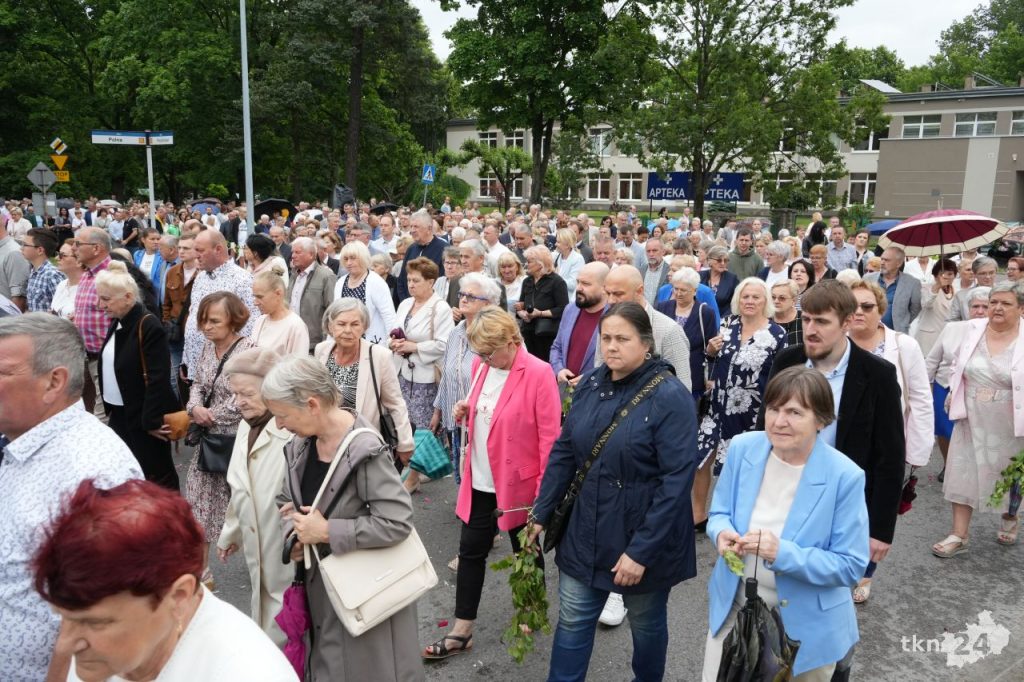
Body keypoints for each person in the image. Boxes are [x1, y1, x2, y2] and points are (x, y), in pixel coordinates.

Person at [530, 302, 697, 681]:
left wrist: (641, 552)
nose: (611, 346)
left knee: (646, 623)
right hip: (585, 529)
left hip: (641, 536)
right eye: (606, 338)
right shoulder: (590, 383)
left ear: (646, 344)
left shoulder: (670, 397)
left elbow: (675, 482)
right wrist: (541, 510)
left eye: (622, 338)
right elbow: (564, 452)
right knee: (573, 620)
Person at [762, 280, 905, 653]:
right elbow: (766, 431)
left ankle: (827, 662)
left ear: (847, 322)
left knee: (828, 601)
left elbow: (890, 456)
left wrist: (880, 529)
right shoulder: (787, 361)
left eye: (822, 321)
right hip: (785, 497)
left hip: (840, 506)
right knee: (776, 590)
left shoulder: (877, 375)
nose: (811, 329)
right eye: (807, 319)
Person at [32, 479, 295, 682]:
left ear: (179, 596)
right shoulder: (115, 645)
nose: (65, 645)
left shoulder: (249, 671)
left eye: (95, 623)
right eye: (64, 616)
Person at [702, 367, 869, 681]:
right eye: (774, 409)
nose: (779, 421)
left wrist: (782, 553)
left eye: (794, 412)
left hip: (805, 628)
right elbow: (720, 512)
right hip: (737, 608)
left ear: (821, 420)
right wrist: (721, 533)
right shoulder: (742, 448)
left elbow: (850, 565)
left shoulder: (844, 476)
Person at [0, 315, 142, 682]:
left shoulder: (93, 472)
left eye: (2, 372)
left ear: (54, 381)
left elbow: (110, 619)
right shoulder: (21, 444)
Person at [267, 357, 424, 681]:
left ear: (312, 404)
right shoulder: (300, 446)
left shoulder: (364, 448)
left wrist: (327, 531)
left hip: (366, 597)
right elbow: (286, 504)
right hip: (323, 594)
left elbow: (397, 521)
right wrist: (293, 537)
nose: (279, 425)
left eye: (282, 415)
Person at [424, 307, 561, 661]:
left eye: (489, 352)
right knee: (471, 550)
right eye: (480, 353)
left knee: (524, 550)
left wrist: (543, 498)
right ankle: (462, 630)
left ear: (512, 341)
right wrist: (465, 409)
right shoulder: (481, 366)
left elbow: (550, 440)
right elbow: (488, 409)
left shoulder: (538, 373)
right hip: (480, 478)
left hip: (517, 485)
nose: (483, 359)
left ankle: (530, 610)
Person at [846, 280, 933, 603]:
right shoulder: (837, 342)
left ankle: (865, 573)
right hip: (843, 442)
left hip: (885, 445)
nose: (859, 312)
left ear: (880, 310)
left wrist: (916, 451)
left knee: (874, 511)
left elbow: (920, 398)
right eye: (852, 307)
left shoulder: (903, 345)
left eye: (867, 306)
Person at [933, 282, 1024, 558]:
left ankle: (1010, 515)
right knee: (963, 470)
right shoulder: (973, 329)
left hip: (1011, 418)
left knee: (1011, 472)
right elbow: (957, 363)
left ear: (1021, 308)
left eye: (1005, 303)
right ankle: (959, 534)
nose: (997, 308)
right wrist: (954, 389)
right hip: (970, 414)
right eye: (994, 302)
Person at [216, 348, 294, 647]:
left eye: (247, 393)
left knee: (286, 610)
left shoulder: (293, 433)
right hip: (257, 539)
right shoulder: (245, 425)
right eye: (235, 394)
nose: (238, 402)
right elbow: (240, 486)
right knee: (263, 599)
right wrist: (231, 533)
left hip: (285, 543)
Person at [185, 291, 253, 586]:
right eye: (203, 321)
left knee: (249, 506)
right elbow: (198, 384)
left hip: (241, 441)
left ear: (233, 320)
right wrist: (194, 407)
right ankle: (201, 571)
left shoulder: (249, 350)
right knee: (199, 502)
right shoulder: (206, 347)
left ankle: (264, 567)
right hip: (209, 441)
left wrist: (210, 414)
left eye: (214, 321)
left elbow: (248, 396)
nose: (206, 327)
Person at [96, 261, 180, 490]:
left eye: (106, 299)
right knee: (128, 477)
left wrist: (150, 422)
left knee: (155, 479)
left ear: (128, 297)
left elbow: (158, 379)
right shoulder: (119, 321)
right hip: (121, 414)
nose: (100, 305)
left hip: (143, 419)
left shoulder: (148, 325)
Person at [315, 298, 415, 465]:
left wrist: (405, 444)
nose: (348, 330)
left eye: (355, 324)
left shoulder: (379, 356)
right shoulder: (322, 351)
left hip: (362, 446)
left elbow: (395, 403)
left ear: (364, 326)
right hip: (325, 441)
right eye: (341, 324)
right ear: (330, 326)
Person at [430, 273, 501, 487]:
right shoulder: (456, 332)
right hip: (456, 419)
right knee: (461, 473)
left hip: (483, 421)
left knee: (480, 476)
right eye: (462, 294)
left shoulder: (495, 336)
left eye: (471, 296)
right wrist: (437, 411)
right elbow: (447, 374)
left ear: (487, 304)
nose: (463, 299)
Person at [925, 287, 990, 482]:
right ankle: (948, 466)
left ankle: (975, 469)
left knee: (975, 432)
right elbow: (932, 360)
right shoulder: (952, 328)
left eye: (985, 306)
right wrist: (924, 389)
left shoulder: (997, 332)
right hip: (944, 385)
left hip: (977, 389)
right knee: (944, 430)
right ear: (968, 309)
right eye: (975, 306)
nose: (980, 311)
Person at [600, 265, 692, 389]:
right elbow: (601, 369)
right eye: (607, 293)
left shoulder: (669, 330)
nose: (610, 300)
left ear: (639, 291)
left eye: (618, 294)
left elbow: (682, 388)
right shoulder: (607, 323)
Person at [391, 257, 454, 435]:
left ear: (431, 282)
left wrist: (414, 347)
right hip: (400, 374)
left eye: (416, 281)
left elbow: (444, 345)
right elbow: (393, 331)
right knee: (401, 425)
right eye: (409, 280)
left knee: (422, 430)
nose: (411, 285)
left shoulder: (441, 308)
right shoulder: (405, 304)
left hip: (425, 379)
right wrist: (393, 342)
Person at [183, 230, 256, 380]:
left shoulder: (242, 279)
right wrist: (186, 359)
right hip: (195, 367)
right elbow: (192, 318)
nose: (196, 255)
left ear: (218, 249)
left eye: (200, 250)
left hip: (224, 370)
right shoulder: (200, 278)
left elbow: (250, 326)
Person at [655, 267, 715, 404]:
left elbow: (711, 349)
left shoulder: (705, 313)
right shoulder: (662, 307)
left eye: (683, 290)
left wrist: (711, 376)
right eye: (676, 289)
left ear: (694, 290)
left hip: (693, 376)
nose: (678, 293)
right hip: (663, 375)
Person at [551, 262, 609, 392]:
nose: (579, 288)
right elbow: (557, 347)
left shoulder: (615, 316)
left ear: (604, 288)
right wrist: (559, 369)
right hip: (565, 390)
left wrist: (592, 378)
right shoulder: (570, 309)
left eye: (586, 284)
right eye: (578, 282)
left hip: (596, 393)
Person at [333, 240, 397, 345]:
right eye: (346, 259)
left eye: (353, 258)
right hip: (345, 341)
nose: (349, 263)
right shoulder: (340, 282)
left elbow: (388, 315)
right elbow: (335, 314)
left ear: (363, 258)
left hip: (371, 342)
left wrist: (392, 341)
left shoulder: (376, 282)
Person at [516, 245, 569, 361]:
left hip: (547, 335)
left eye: (529, 262)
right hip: (528, 333)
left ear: (540, 264)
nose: (526, 265)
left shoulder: (557, 282)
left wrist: (540, 313)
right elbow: (521, 304)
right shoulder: (527, 281)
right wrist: (521, 313)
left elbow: (563, 309)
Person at [286, 237, 335, 353]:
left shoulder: (326, 276)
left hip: (314, 343)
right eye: (292, 252)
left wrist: (326, 342)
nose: (293, 256)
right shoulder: (294, 275)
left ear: (311, 254)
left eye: (297, 252)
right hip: (292, 339)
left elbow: (332, 311)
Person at [250, 270, 309, 356]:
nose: (255, 302)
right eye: (255, 297)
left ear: (278, 293)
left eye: (260, 297)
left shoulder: (296, 326)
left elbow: (299, 362)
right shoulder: (260, 321)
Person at [864, 246, 921, 333]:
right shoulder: (868, 278)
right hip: (869, 331)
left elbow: (915, 309)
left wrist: (902, 323)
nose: (882, 263)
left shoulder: (912, 283)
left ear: (898, 264)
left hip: (897, 333)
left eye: (887, 260)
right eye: (882, 259)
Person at [913, 258, 959, 357]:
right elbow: (926, 304)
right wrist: (938, 286)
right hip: (928, 339)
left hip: (949, 338)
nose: (946, 277)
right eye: (942, 274)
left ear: (955, 275)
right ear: (935, 275)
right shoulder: (924, 288)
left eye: (950, 274)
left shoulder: (957, 291)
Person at [397, 210, 446, 300]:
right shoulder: (411, 248)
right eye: (411, 226)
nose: (412, 230)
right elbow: (402, 279)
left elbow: (442, 283)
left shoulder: (444, 249)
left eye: (416, 227)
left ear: (429, 228)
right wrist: (406, 302)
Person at [21, 228, 64, 313]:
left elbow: (61, 309)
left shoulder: (52, 275)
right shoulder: (34, 272)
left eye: (25, 245)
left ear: (40, 250)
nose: (21, 248)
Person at [948, 256, 997, 322]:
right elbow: (952, 321)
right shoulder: (961, 296)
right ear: (974, 274)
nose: (988, 277)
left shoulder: (1005, 293)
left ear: (996, 272)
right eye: (983, 273)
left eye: (991, 273)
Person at [700, 246, 740, 318]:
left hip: (723, 319)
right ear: (709, 260)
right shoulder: (699, 276)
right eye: (719, 260)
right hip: (700, 318)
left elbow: (735, 303)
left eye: (725, 260)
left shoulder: (732, 279)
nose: (722, 263)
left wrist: (723, 319)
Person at [49, 239, 81, 320]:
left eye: (62, 255)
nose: (56, 258)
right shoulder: (62, 284)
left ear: (79, 261)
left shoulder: (88, 288)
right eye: (58, 254)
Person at [553, 228, 585, 299]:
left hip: (569, 300)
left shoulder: (577, 259)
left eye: (558, 242)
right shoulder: (556, 256)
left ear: (567, 245)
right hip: (556, 298)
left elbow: (573, 284)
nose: (555, 244)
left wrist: (555, 278)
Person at [771, 279, 803, 346]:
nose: (776, 301)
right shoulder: (764, 320)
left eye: (782, 298)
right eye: (773, 297)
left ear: (794, 301)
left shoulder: (804, 319)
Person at [639, 237, 670, 305]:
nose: (651, 254)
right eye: (648, 251)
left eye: (655, 250)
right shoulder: (641, 270)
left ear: (663, 252)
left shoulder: (669, 271)